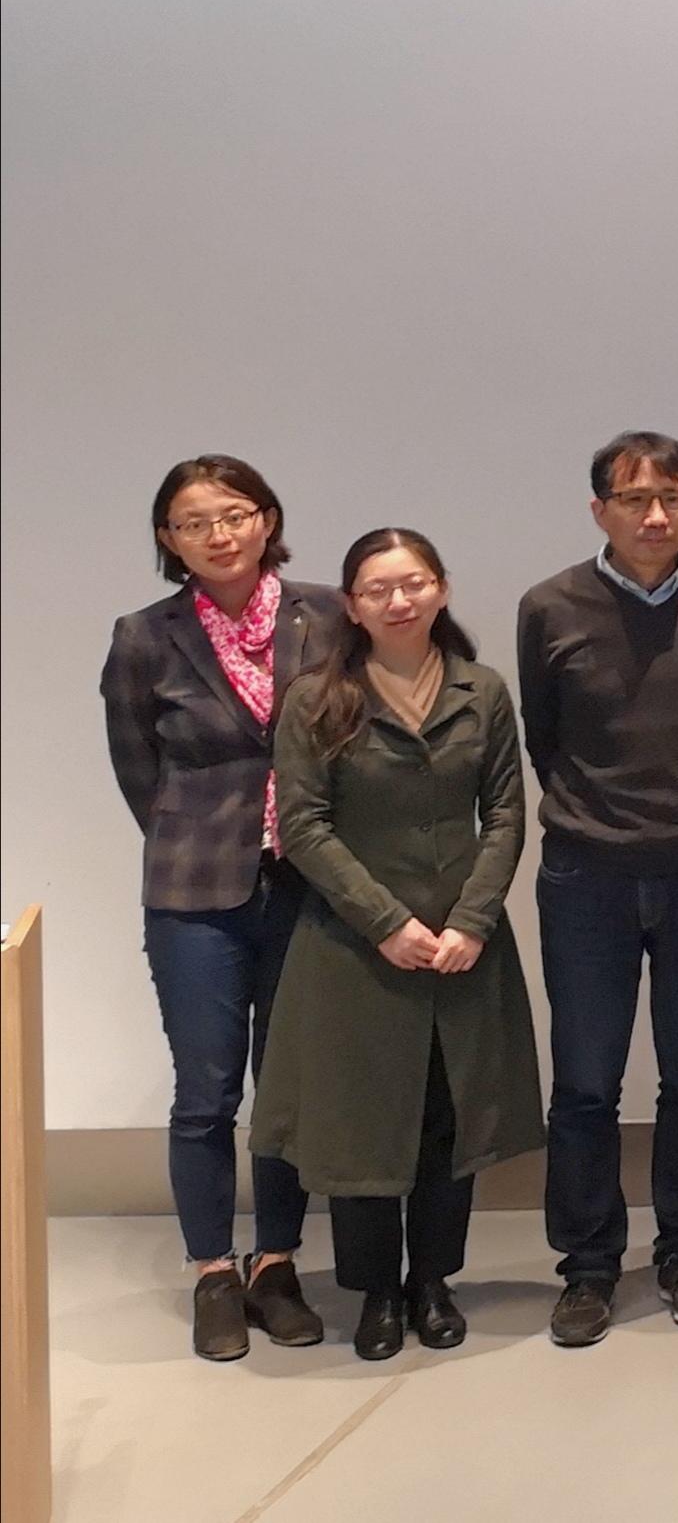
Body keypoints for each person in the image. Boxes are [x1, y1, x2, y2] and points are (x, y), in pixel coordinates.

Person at [253, 530, 543, 1361]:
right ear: (352, 606)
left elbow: (507, 812)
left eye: (413, 583)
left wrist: (472, 920)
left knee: (449, 1118)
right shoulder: (316, 699)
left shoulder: (481, 691)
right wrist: (384, 922)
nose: (398, 601)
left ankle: (433, 1282)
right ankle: (378, 1290)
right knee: (362, 1124)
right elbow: (303, 826)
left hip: (461, 946)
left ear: (441, 589)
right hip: (353, 948)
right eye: (377, 589)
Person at [516, 431, 678, 1347]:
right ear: (600, 509)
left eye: (673, 497)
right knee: (586, 1082)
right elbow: (545, 737)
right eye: (634, 499)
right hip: (588, 872)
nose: (655, 516)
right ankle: (587, 1268)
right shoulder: (549, 606)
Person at [103, 456, 344, 1359]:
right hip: (193, 891)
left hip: (308, 883)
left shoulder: (327, 615)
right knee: (205, 1093)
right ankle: (212, 1270)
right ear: (169, 538)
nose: (218, 534)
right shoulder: (144, 635)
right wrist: (202, 833)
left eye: (235, 514)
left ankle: (276, 1264)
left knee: (285, 1087)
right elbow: (137, 766)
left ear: (266, 519)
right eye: (194, 522)